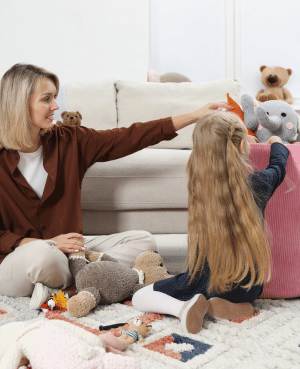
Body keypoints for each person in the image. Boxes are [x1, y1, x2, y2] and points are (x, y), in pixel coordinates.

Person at [0, 63, 238, 309]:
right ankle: (88, 283)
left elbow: (128, 137)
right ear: (20, 103)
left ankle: (64, 288)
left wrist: (194, 115)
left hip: (70, 254)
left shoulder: (69, 141)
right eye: (46, 99)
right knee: (43, 256)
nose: (56, 107)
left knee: (143, 242)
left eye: (55, 97)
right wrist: (49, 244)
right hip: (19, 260)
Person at [132, 111, 289, 334]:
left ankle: (183, 308)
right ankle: (239, 306)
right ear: (241, 146)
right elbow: (278, 167)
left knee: (140, 297)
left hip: (209, 281)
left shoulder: (201, 190)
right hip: (250, 286)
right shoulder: (258, 183)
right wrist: (276, 142)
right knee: (224, 292)